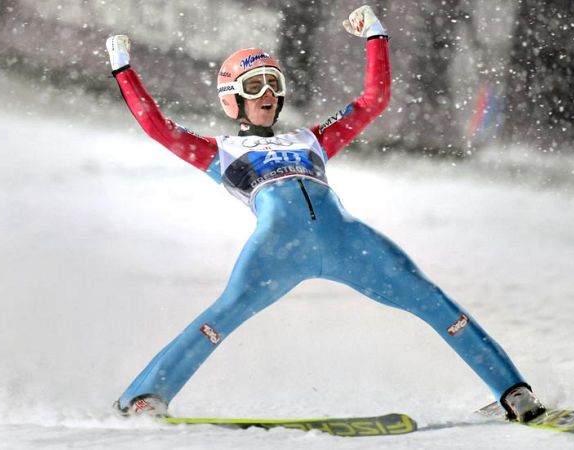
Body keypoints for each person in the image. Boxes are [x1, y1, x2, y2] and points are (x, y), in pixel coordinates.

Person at [105, 5, 546, 423]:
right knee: (223, 315)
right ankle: (144, 397)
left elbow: (373, 100)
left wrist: (376, 36)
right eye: (254, 86)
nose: (268, 94)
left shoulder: (310, 139)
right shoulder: (219, 151)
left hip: (346, 240)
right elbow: (157, 126)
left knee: (431, 299)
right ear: (231, 99)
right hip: (279, 245)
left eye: (274, 84)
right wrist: (123, 69)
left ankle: (514, 393)